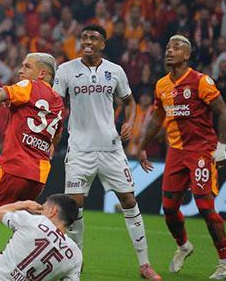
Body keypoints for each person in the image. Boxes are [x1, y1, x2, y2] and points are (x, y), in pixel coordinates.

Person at [53, 24, 160, 279]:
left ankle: (145, 264)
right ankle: (76, 262)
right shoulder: (65, 70)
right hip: (80, 150)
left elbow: (130, 102)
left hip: (111, 148)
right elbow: (56, 105)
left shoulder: (115, 71)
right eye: (84, 38)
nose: (88, 41)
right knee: (73, 207)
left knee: (129, 201)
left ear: (103, 44)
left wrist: (130, 122)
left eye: (93, 38)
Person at [135, 35, 226, 279]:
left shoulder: (201, 81)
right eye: (168, 47)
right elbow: (157, 118)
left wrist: (221, 147)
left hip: (201, 150)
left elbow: (222, 112)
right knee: (169, 209)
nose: (170, 51)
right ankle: (183, 246)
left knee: (205, 207)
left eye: (176, 47)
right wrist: (142, 146)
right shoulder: (161, 85)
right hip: (176, 152)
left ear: (187, 55)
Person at [0, 53, 63, 254]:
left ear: (42, 73)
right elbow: (56, 136)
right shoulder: (58, 101)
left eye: (27, 66)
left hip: (12, 168)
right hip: (38, 176)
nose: (20, 71)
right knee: (24, 228)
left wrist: (2, 96)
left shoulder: (28, 86)